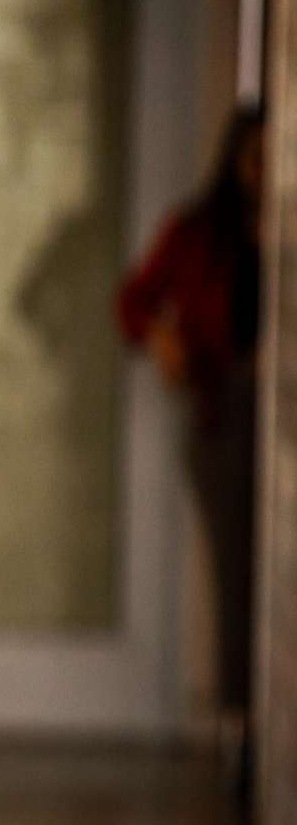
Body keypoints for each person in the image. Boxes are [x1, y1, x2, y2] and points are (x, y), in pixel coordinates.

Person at [118, 107, 264, 766]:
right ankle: (241, 723)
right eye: (254, 157)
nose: (263, 173)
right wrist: (163, 338)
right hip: (221, 409)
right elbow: (134, 300)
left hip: (270, 401)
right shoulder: (198, 231)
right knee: (238, 570)